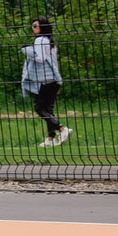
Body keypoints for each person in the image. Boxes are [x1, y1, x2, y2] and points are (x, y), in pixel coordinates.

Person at [23, 18, 70, 147]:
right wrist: (58, 80)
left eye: (35, 26)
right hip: (54, 79)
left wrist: (27, 51)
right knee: (48, 109)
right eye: (32, 25)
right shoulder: (50, 41)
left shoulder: (40, 40)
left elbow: (41, 59)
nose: (33, 28)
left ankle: (62, 129)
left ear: (42, 27)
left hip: (45, 78)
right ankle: (50, 138)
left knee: (39, 108)